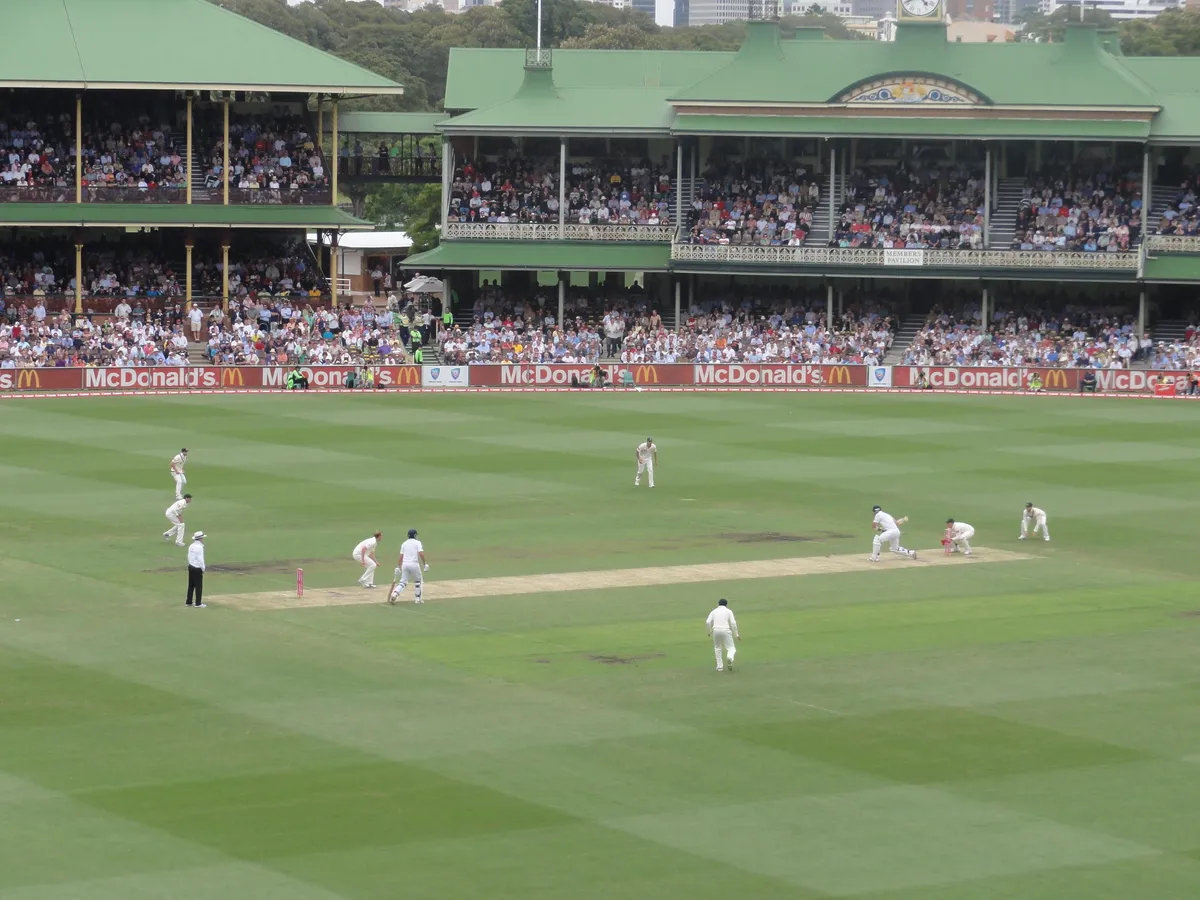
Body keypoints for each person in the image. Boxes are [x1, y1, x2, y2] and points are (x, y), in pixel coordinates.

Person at [389, 528, 427, 604]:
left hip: (405, 564)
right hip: (414, 564)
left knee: (403, 582)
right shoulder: (417, 543)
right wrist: (424, 564)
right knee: (418, 582)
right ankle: (417, 599)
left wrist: (398, 566)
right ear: (415, 535)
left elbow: (401, 556)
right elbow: (421, 553)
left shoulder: (404, 543)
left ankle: (395, 594)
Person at [705, 598, 740, 672]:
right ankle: (730, 657)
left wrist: (709, 631)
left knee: (717, 648)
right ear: (726, 604)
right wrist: (736, 634)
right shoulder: (729, 611)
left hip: (715, 631)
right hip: (725, 630)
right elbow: (733, 623)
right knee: (731, 648)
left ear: (718, 604)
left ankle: (720, 667)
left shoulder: (714, 611)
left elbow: (708, 622)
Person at [186, 531, 206, 608]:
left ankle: (189, 601)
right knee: (198, 586)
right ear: (200, 538)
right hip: (197, 568)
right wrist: (203, 568)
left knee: (191, 585)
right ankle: (198, 603)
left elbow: (189, 556)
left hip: (191, 566)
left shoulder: (191, 546)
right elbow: (201, 559)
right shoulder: (200, 547)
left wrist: (191, 563)